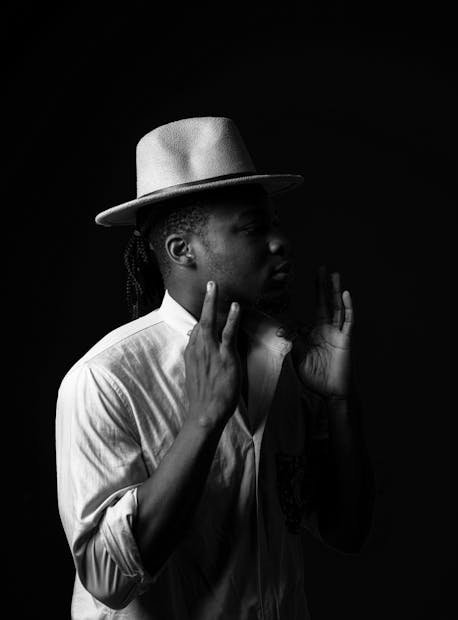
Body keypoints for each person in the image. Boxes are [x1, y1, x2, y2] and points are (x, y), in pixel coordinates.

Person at [56, 116, 375, 619]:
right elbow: (105, 577)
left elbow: (347, 531)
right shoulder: (106, 379)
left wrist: (338, 402)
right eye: (253, 227)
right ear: (183, 251)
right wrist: (204, 420)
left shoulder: (287, 359)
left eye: (274, 222)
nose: (279, 241)